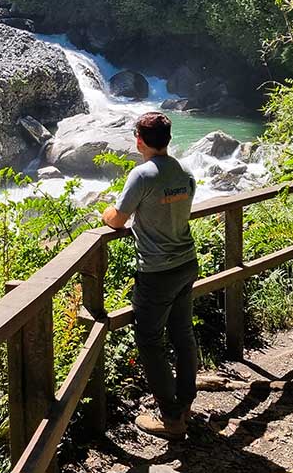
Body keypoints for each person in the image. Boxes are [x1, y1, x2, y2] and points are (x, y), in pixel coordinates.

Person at [101, 111, 198, 440]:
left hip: (157, 272)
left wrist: (104, 211)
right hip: (187, 263)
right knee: (183, 335)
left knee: (150, 342)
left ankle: (171, 420)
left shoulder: (142, 175)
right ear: (168, 140)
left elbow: (117, 220)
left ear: (139, 140)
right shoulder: (185, 171)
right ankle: (185, 405)